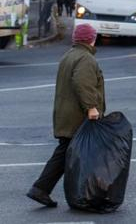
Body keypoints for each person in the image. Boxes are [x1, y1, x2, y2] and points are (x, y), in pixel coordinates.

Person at [27, 24, 105, 208]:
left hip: (66, 114)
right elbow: (81, 83)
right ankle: (80, 194)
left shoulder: (69, 55)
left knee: (66, 155)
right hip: (77, 117)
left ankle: (43, 189)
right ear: (91, 39)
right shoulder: (85, 58)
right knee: (72, 155)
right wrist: (91, 107)